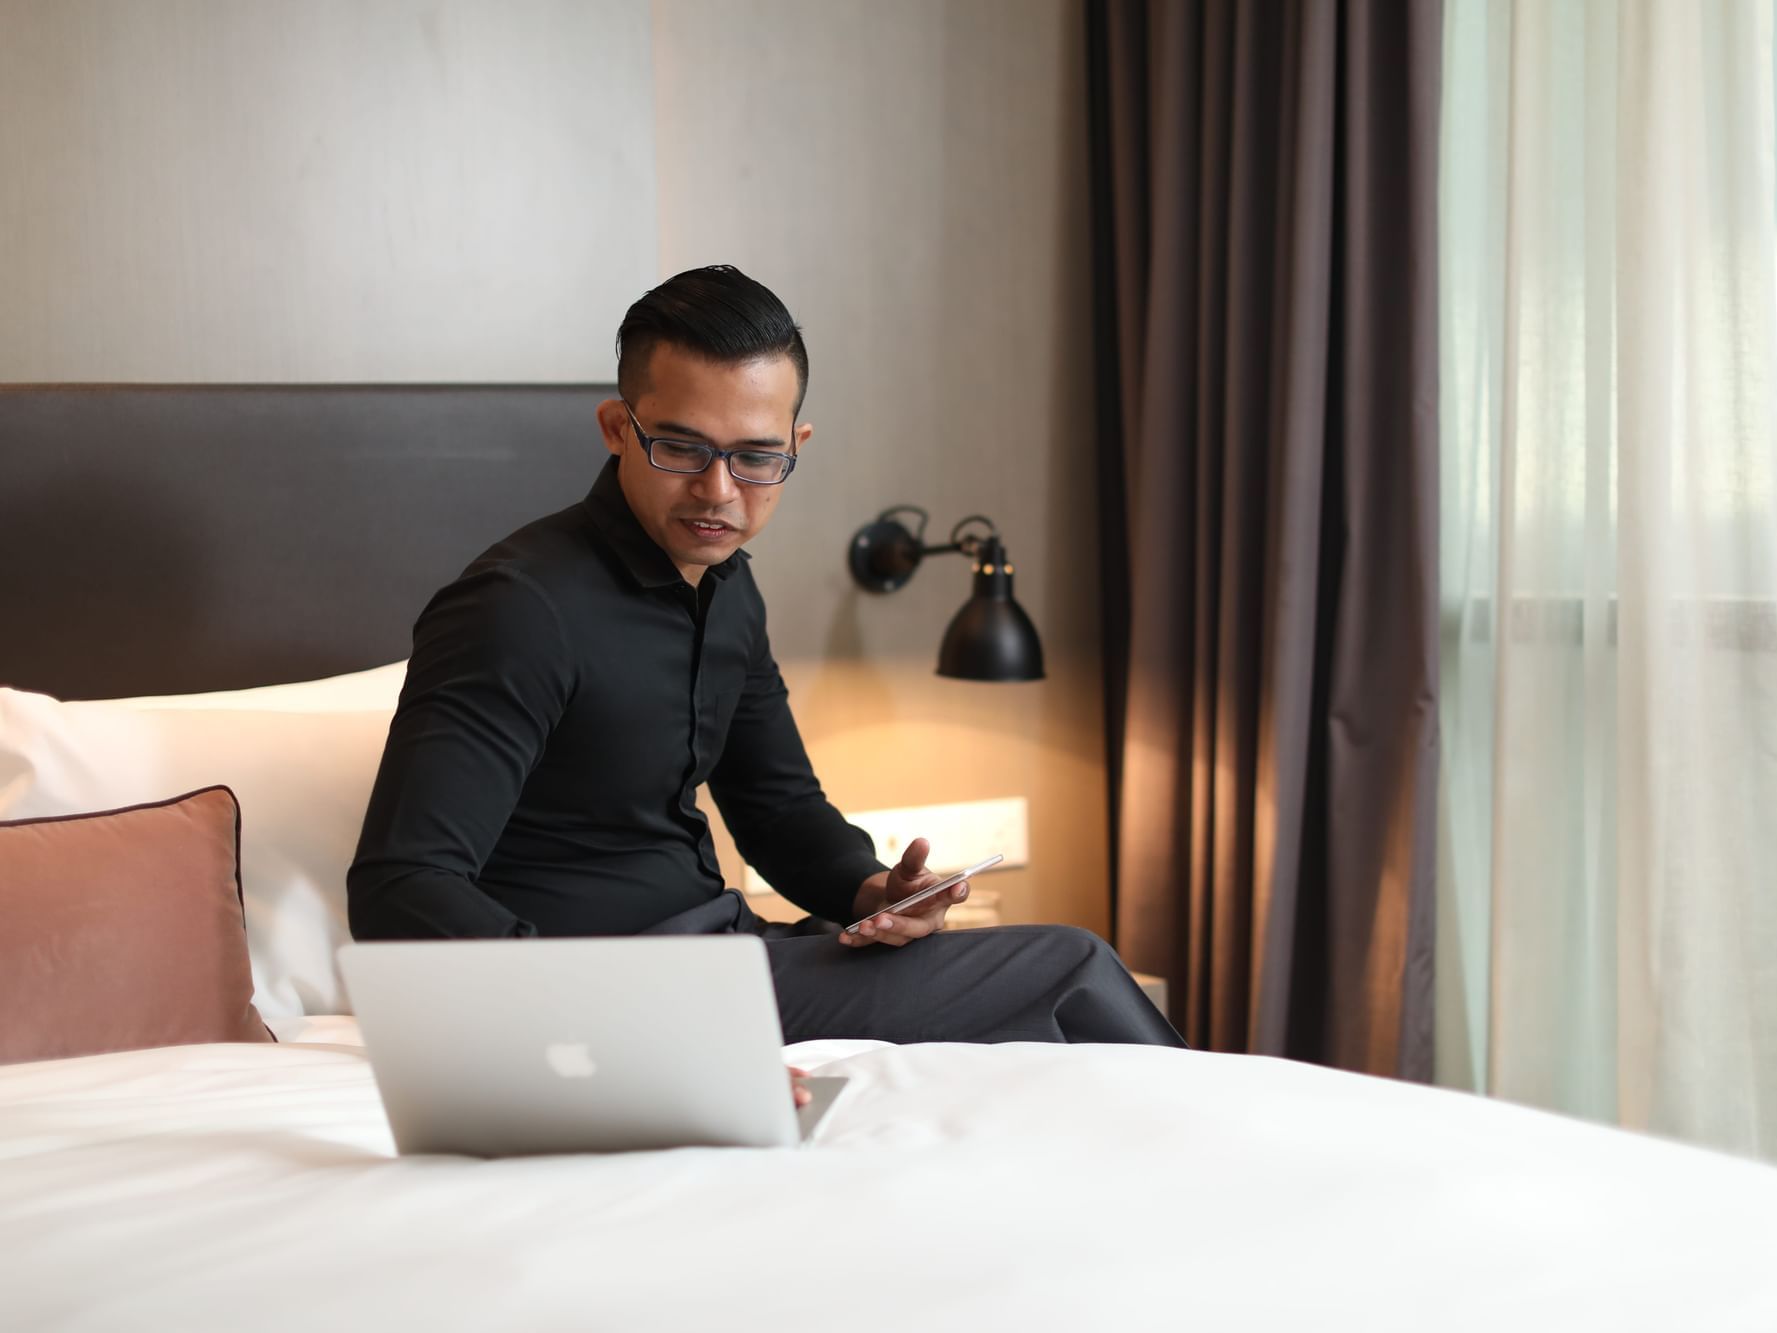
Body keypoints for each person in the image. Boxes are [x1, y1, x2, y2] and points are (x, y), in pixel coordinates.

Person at [347, 264, 1184, 1052]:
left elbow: (779, 811)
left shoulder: (728, 588)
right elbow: (402, 885)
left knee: (1047, 1028)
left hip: (726, 957)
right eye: (680, 448)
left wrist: (874, 892)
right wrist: (600, 1022)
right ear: (616, 429)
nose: (718, 491)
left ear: (797, 443)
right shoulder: (518, 607)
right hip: (623, 993)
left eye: (755, 457)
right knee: (1068, 970)